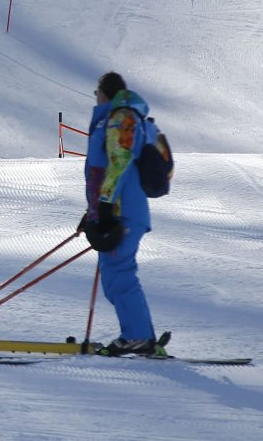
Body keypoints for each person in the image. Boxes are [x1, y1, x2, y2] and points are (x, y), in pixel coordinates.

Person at [78, 71, 160, 356]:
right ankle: (142, 336)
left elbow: (119, 164)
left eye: (96, 92)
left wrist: (105, 205)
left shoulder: (120, 118)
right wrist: (94, 211)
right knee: (116, 276)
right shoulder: (116, 118)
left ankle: (137, 336)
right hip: (117, 209)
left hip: (123, 211)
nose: (95, 98)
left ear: (104, 93)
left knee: (119, 275)